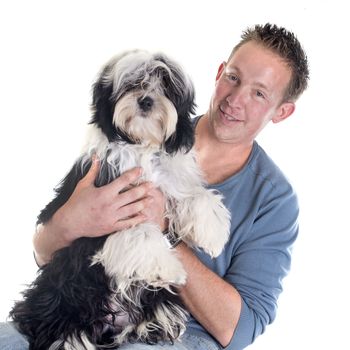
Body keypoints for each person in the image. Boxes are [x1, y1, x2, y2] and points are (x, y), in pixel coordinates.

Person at [1, 23, 309, 350]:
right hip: (82, 306)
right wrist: (70, 222)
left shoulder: (275, 199)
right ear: (219, 73)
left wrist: (165, 228)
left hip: (178, 332)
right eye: (233, 77)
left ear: (283, 112)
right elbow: (45, 253)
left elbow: (238, 330)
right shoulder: (135, 135)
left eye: (259, 93)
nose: (235, 100)